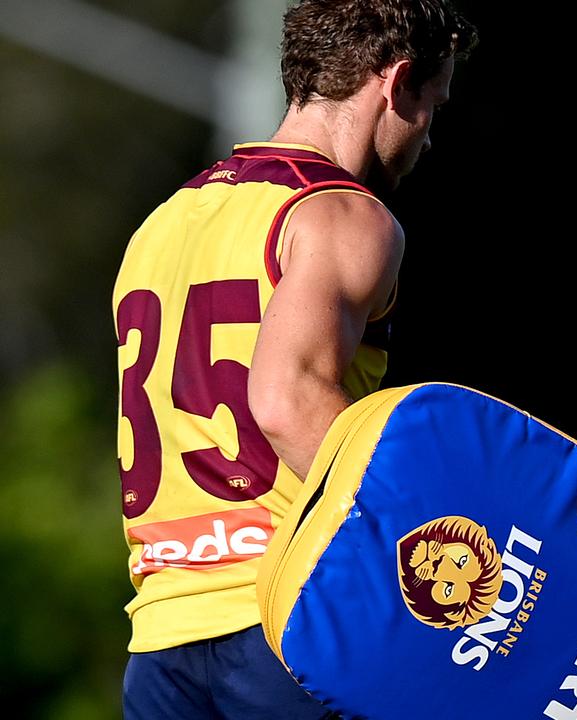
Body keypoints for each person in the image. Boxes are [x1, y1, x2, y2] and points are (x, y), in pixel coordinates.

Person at [111, 1, 476, 717]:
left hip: (160, 633)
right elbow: (286, 402)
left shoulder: (159, 224)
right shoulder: (343, 212)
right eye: (432, 104)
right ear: (396, 81)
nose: (428, 136)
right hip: (294, 623)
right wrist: (440, 544)